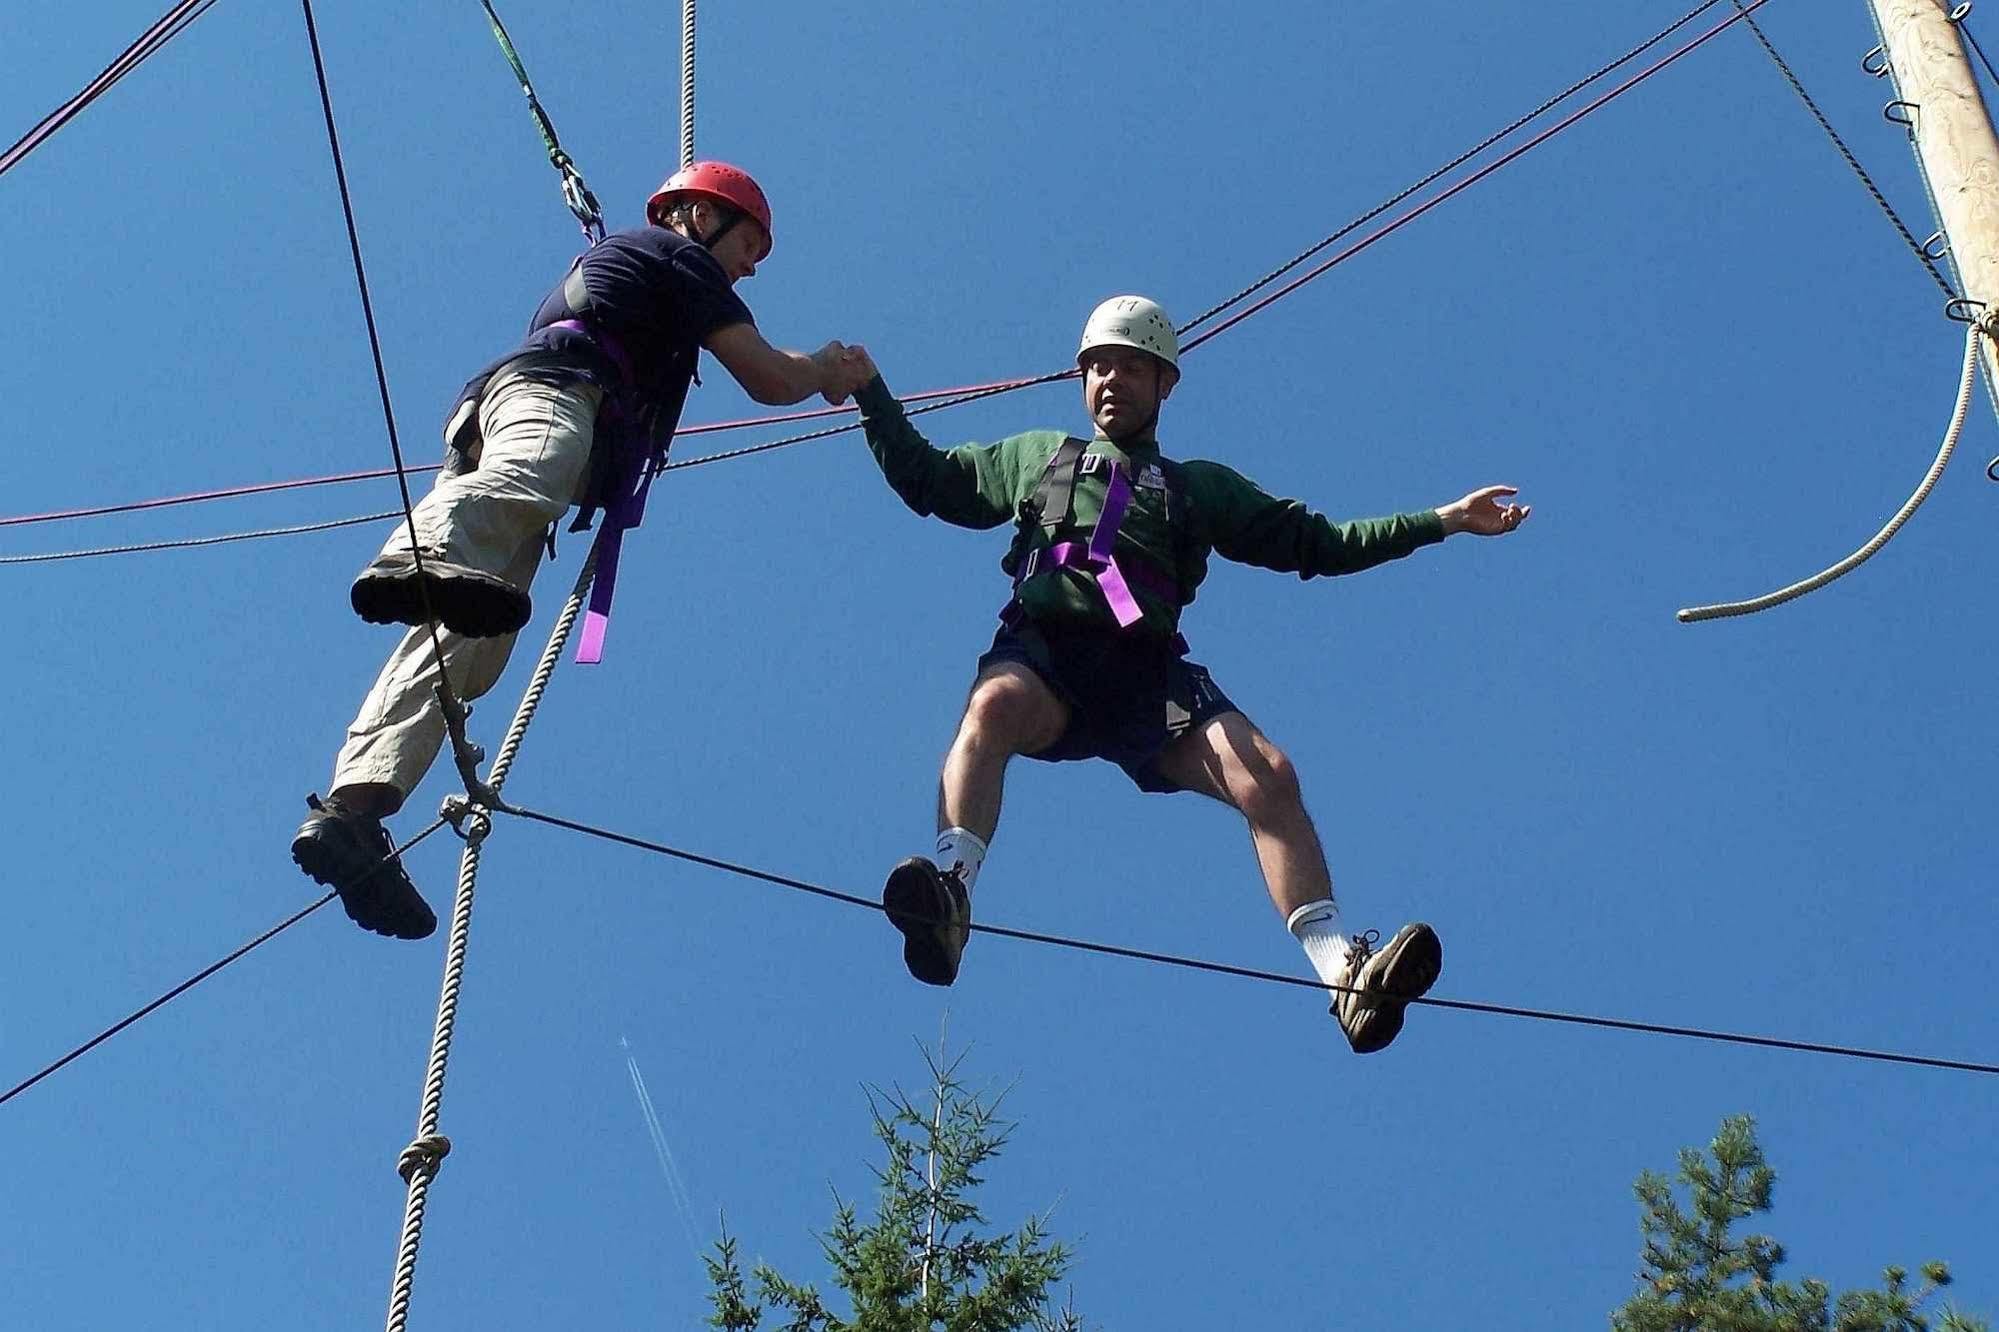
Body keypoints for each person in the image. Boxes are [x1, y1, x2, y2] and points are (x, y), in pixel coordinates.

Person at [843, 295, 1529, 1053]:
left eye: (1132, 366)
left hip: (1146, 676)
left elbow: (1319, 543)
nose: (1111, 380)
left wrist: (1441, 520)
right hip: (1049, 656)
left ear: (1164, 382)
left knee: (1267, 775)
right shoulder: (1036, 456)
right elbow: (933, 482)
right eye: (1097, 365)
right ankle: (951, 896)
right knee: (993, 707)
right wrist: (872, 395)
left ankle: (1343, 974)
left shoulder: (1196, 487)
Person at [292, 160, 867, 941]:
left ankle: (353, 813)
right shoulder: (677, 258)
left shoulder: (654, 278)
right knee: (530, 474)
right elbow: (766, 377)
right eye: (750, 242)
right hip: (555, 394)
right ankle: (416, 555)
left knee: (468, 646)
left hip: (525, 410)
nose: (753, 265)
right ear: (699, 217)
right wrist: (826, 370)